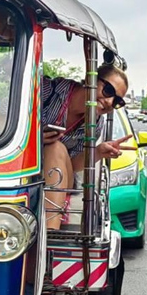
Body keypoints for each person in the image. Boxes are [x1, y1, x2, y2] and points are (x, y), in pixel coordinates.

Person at [43, 64, 131, 229]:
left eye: (117, 101)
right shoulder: (49, 90)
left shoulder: (96, 123)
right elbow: (2, 118)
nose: (109, 102)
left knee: (56, 148)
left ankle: (51, 235)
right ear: (90, 80)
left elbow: (73, 165)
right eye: (108, 91)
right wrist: (34, 138)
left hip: (58, 179)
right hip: (21, 167)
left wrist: (97, 152)